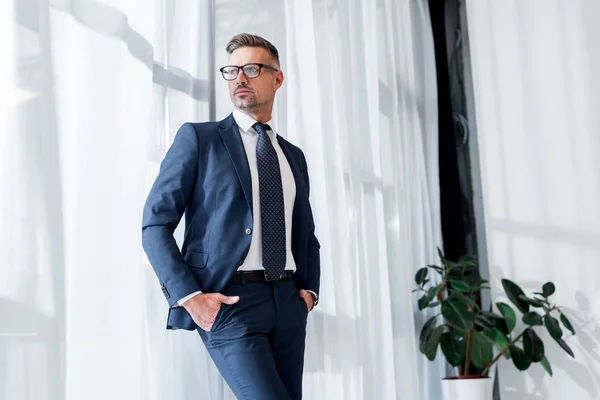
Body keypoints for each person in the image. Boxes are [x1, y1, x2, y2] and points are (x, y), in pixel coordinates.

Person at [142, 33, 321, 400]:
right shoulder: (199, 139)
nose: (240, 78)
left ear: (277, 79)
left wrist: (309, 293)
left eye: (252, 69)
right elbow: (155, 224)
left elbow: (306, 234)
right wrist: (190, 297)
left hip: (288, 302)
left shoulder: (293, 156)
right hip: (230, 304)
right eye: (232, 70)